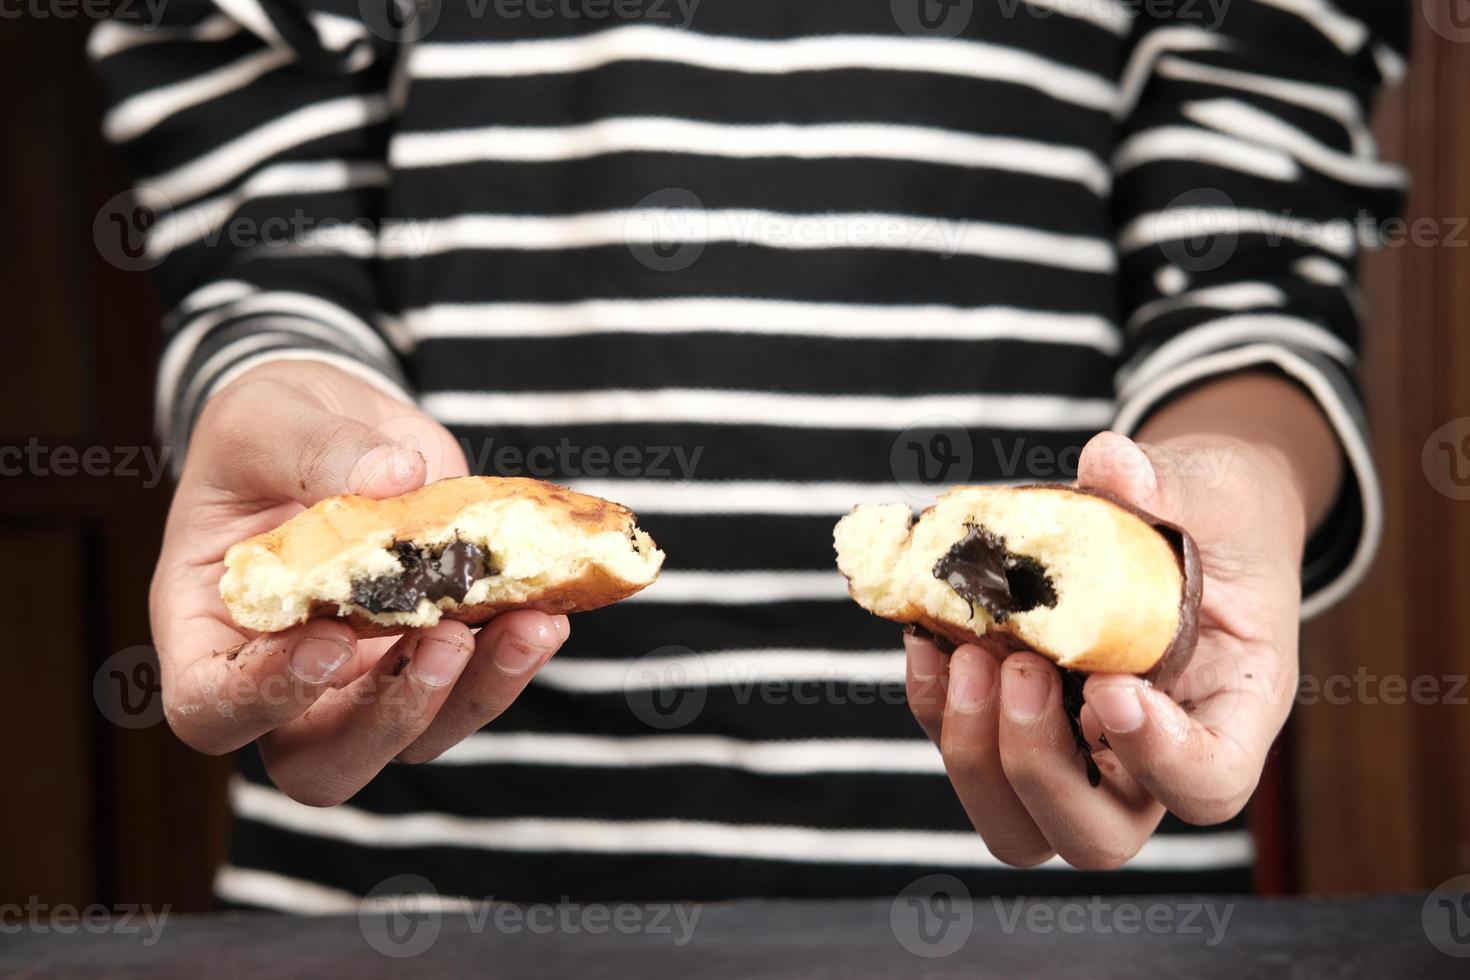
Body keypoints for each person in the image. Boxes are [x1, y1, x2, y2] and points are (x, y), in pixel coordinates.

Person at [90, 0, 1406, 908]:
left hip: (1081, 873)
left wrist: (1226, 491)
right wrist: (284, 396)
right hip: (408, 897)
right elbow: (261, 234)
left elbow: (1250, 260)